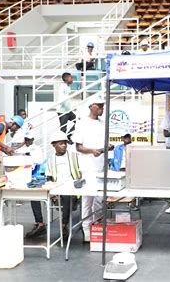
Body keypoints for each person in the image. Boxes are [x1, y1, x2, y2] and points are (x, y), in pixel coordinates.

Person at [25, 130, 81, 239]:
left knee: (66, 195)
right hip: (57, 189)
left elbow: (80, 174)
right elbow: (49, 178)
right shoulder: (50, 160)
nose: (64, 145)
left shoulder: (74, 156)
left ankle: (64, 225)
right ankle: (40, 223)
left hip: (73, 190)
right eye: (61, 143)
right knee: (34, 196)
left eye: (65, 143)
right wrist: (53, 193)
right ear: (53, 145)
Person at [73, 95, 114, 242]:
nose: (102, 108)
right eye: (100, 106)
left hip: (101, 165)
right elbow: (78, 146)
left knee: (100, 199)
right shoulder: (82, 123)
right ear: (91, 106)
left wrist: (107, 147)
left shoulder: (103, 123)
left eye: (103, 106)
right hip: (88, 166)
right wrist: (92, 151)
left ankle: (98, 226)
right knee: (87, 199)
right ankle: (86, 229)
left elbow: (103, 143)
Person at [57, 72, 76, 144]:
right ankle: (62, 143)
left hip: (68, 110)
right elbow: (61, 98)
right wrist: (70, 94)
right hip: (62, 111)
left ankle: (68, 135)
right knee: (63, 128)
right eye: (71, 78)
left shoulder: (68, 86)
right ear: (66, 79)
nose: (72, 79)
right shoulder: (62, 86)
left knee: (78, 122)